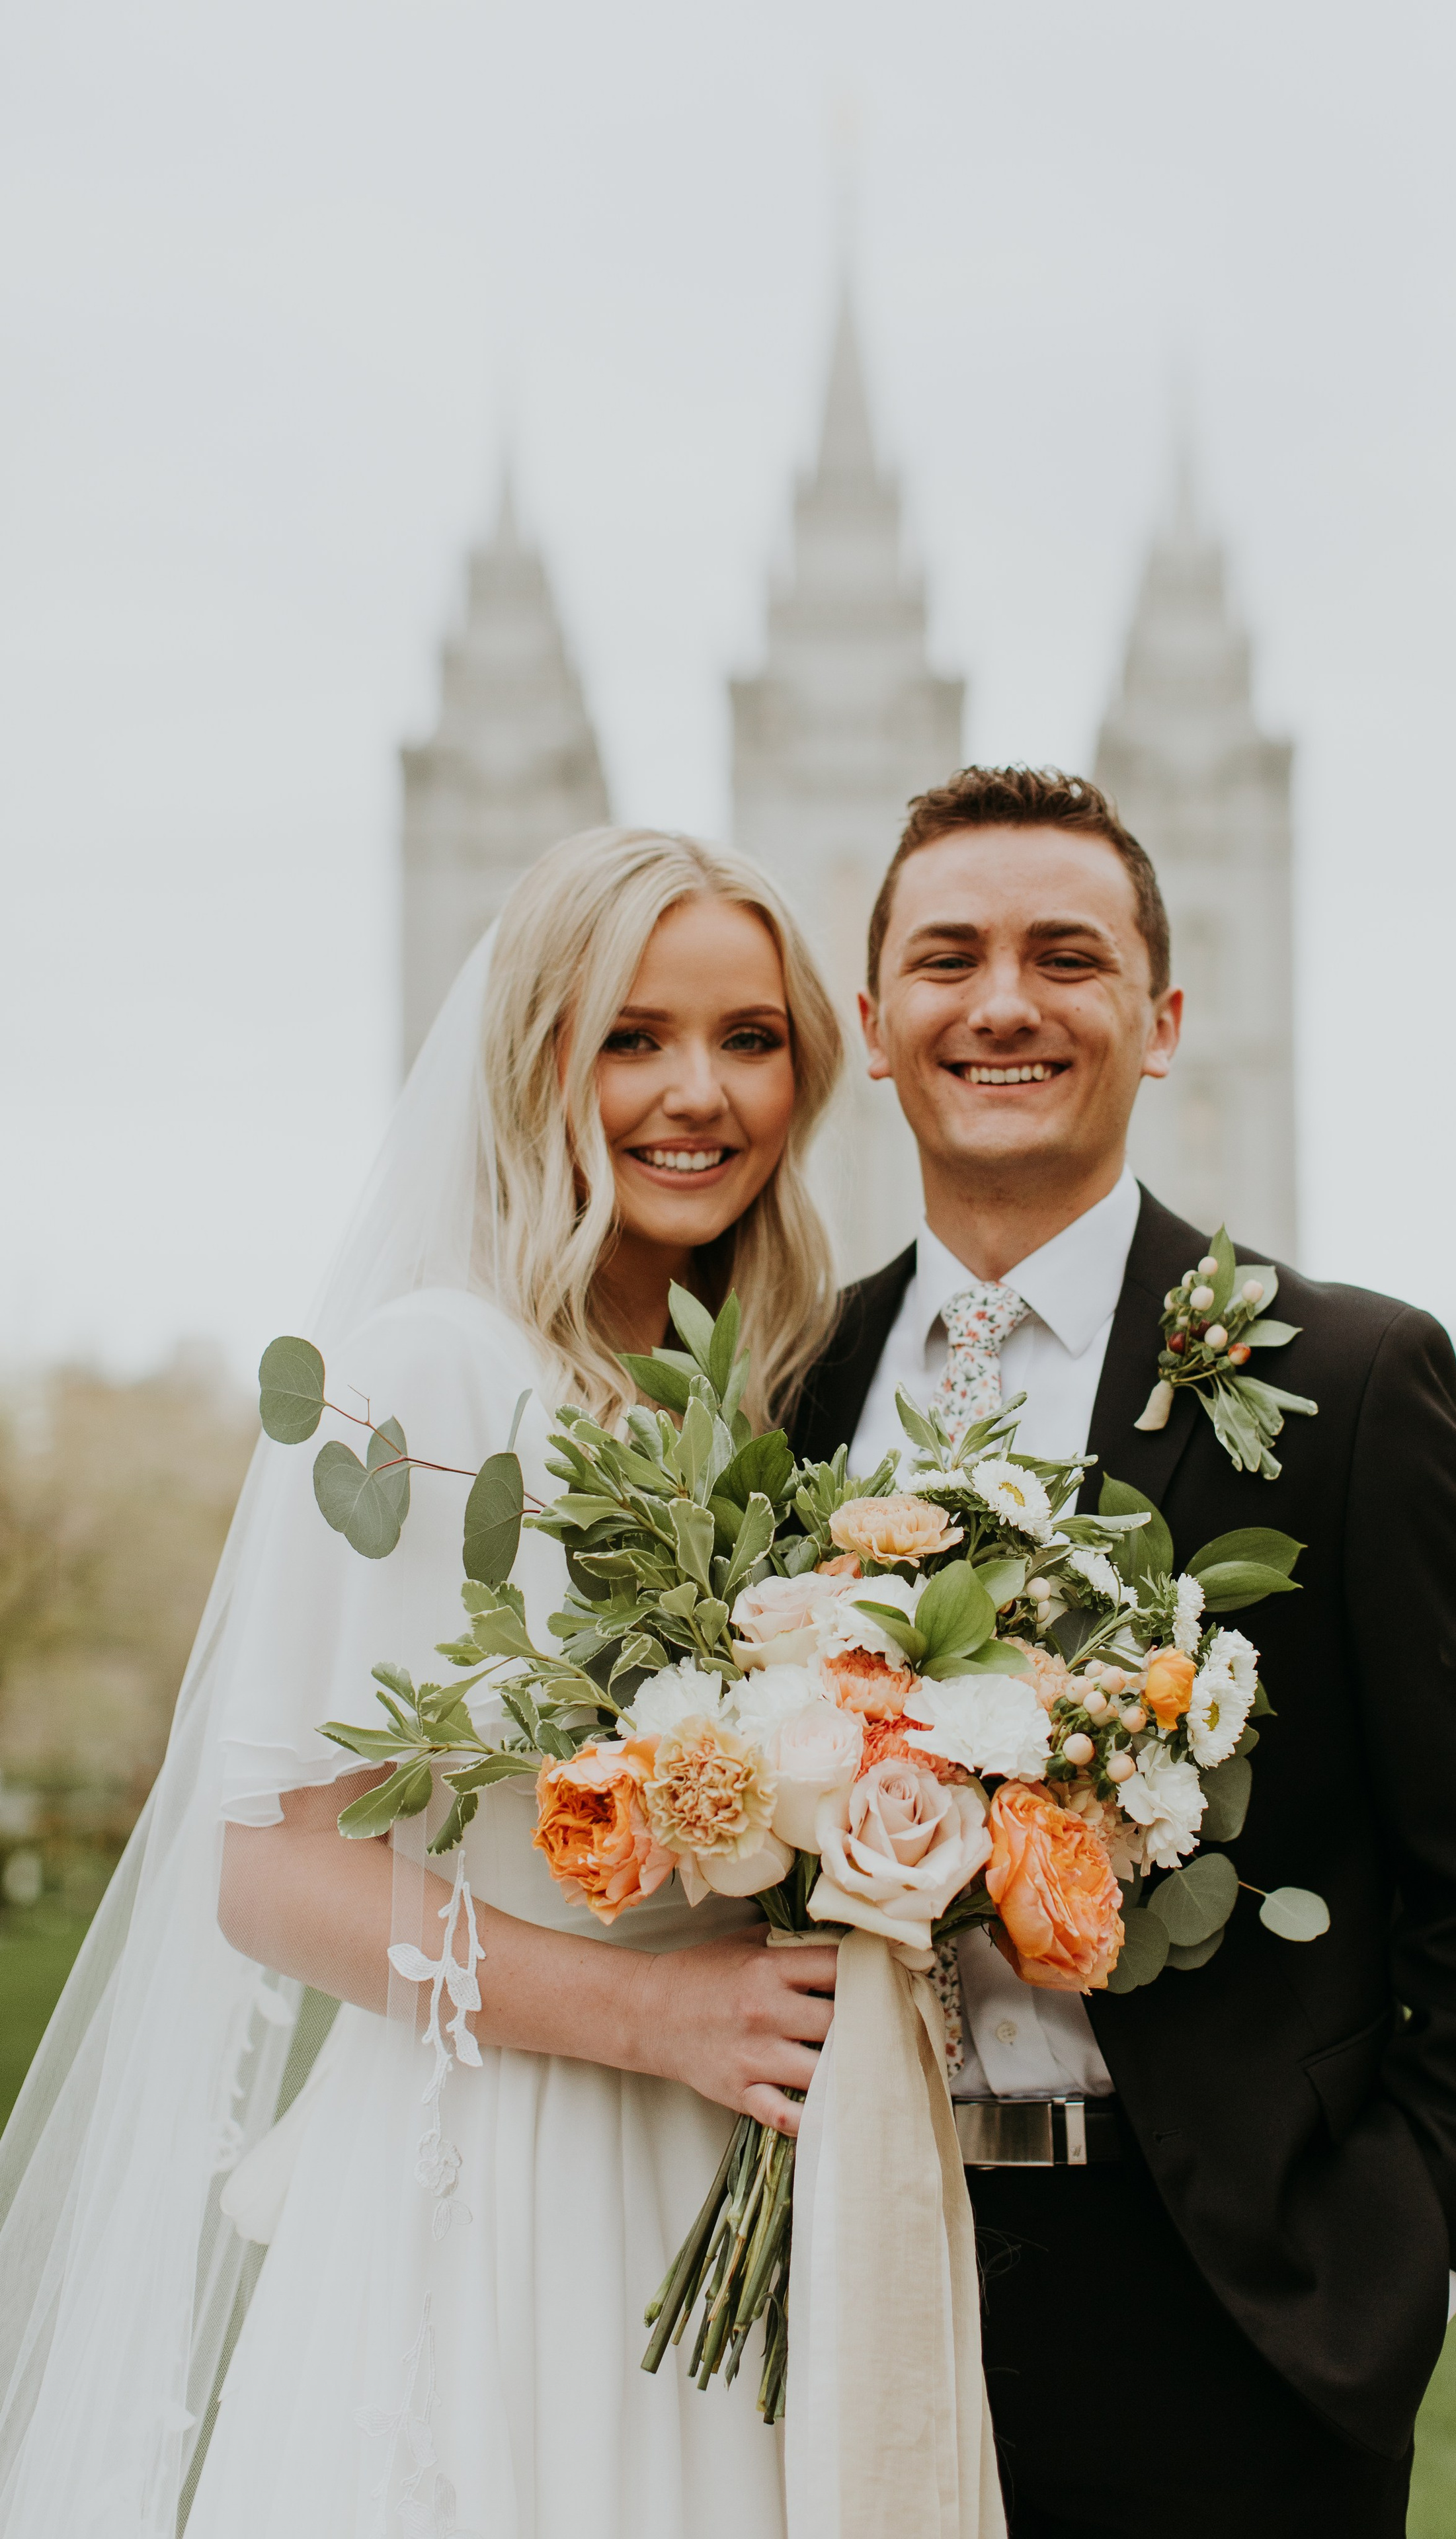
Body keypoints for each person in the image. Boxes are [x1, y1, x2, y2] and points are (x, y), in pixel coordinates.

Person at [0, 828, 845, 2539]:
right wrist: (658, 2015)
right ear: (535, 1053)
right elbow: (275, 1869)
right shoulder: (426, 1382)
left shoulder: (771, 1400)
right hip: (512, 2165)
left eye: (749, 1039)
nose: (700, 1092)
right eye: (632, 1035)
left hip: (735, 2170)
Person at [788, 764, 1456, 2539]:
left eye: (1065, 956)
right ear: (872, 1025)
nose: (1003, 1003)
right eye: (949, 959)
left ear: (1157, 1021)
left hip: (1231, 2312)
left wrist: (1413, 2264)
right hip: (842, 2278)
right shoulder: (783, 1394)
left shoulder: (1353, 1383)